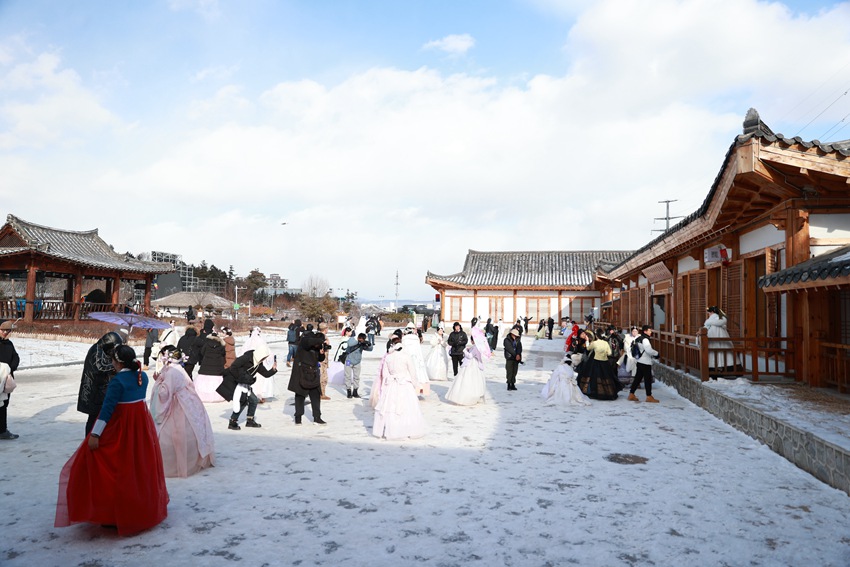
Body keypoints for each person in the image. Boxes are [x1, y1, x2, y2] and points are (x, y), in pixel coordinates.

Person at [55, 345, 168, 536]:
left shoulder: (117, 381)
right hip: (140, 426)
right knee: (137, 468)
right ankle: (139, 509)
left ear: (118, 362)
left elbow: (107, 410)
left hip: (122, 427)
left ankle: (110, 513)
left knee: (107, 465)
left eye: (113, 361)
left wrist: (95, 434)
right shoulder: (143, 376)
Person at [149, 347, 215, 477]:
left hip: (176, 404)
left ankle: (172, 465)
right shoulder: (179, 369)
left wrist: (158, 381)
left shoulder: (171, 371)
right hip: (188, 401)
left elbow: (164, 393)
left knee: (173, 435)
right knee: (193, 430)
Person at [372, 336, 427, 440]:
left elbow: (384, 374)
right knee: (406, 408)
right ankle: (406, 430)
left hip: (392, 384)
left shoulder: (388, 357)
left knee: (390, 408)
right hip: (404, 384)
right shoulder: (406, 356)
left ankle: (389, 430)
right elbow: (413, 372)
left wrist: (387, 383)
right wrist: (416, 385)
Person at [217, 343, 278, 429]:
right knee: (242, 401)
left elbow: (265, 374)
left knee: (253, 400)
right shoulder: (246, 358)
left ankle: (250, 420)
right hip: (235, 381)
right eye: (264, 357)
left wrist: (273, 369)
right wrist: (240, 377)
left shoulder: (258, 363)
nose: (264, 359)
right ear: (259, 354)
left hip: (245, 383)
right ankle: (232, 422)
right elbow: (233, 367)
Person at [77, 331, 123, 436]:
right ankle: (88, 440)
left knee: (101, 417)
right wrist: (116, 367)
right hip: (92, 390)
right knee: (93, 419)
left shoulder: (104, 350)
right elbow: (100, 366)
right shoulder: (96, 349)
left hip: (101, 391)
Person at [287, 329, 327, 425]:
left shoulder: (316, 347)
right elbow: (309, 341)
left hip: (312, 374)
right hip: (301, 373)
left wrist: (322, 353)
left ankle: (317, 417)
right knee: (300, 396)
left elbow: (320, 359)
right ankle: (298, 417)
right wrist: (322, 341)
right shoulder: (305, 341)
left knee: (316, 396)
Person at [577, 330, 622, 400]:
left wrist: (587, 341)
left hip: (596, 361)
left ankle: (594, 392)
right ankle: (608, 392)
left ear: (597, 336)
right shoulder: (606, 343)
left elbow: (588, 348)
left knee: (594, 377)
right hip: (605, 362)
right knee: (606, 378)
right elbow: (609, 353)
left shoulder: (595, 343)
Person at [445, 332, 487, 406]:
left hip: (471, 365)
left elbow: (470, 356)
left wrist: (464, 351)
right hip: (473, 364)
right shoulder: (476, 347)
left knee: (467, 379)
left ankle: (466, 397)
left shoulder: (476, 347)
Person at [193, 327, 227, 403]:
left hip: (206, 366)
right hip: (217, 367)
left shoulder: (206, 344)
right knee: (216, 381)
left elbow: (202, 352)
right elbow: (223, 354)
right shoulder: (221, 345)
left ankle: (202, 395)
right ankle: (218, 396)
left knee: (204, 382)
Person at [0, 320, 21, 440]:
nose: (5, 333)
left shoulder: (9, 344)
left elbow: (16, 357)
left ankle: (2, 430)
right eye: (3, 330)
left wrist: (10, 368)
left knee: (4, 404)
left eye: (8, 330)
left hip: (6, 379)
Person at [628, 325, 660, 403]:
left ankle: (631, 394)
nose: (650, 332)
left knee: (637, 379)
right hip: (645, 362)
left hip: (639, 361)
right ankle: (649, 396)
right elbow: (648, 350)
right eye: (649, 330)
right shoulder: (645, 340)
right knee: (647, 380)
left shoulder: (638, 338)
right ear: (645, 331)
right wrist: (656, 353)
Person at [704, 306, 737, 379]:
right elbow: (722, 322)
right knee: (723, 353)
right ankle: (725, 368)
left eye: (709, 313)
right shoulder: (719, 320)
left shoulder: (710, 322)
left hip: (713, 339)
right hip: (722, 338)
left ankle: (714, 369)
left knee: (714, 354)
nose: (708, 314)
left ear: (712, 312)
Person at [402, 323, 429, 397]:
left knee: (408, 374)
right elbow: (419, 351)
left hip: (407, 359)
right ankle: (418, 391)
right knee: (419, 374)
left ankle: (407, 391)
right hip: (417, 360)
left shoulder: (404, 339)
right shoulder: (416, 339)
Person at [344, 332, 373, 399]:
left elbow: (370, 349)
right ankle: (348, 391)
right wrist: (358, 342)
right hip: (348, 361)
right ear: (358, 338)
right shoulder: (352, 340)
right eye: (360, 338)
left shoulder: (362, 344)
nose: (361, 340)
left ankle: (355, 391)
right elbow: (350, 343)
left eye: (362, 339)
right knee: (347, 376)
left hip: (357, 362)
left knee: (356, 377)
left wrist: (368, 344)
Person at [318, 322, 332, 400]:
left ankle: (321, 393)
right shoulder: (322, 338)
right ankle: (322, 393)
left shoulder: (318, 336)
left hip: (323, 359)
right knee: (323, 378)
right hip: (322, 360)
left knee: (322, 377)